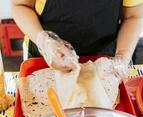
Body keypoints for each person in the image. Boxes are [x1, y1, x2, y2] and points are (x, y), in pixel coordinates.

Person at [11, 0, 143, 73]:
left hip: (106, 63)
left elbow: (133, 16)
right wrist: (44, 41)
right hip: (45, 59)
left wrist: (122, 58)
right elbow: (20, 5)